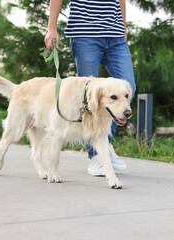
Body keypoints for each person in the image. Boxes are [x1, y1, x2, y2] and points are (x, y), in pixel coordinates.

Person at [44, 0, 136, 176]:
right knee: (89, 98)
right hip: (85, 34)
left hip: (115, 36)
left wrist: (123, 26)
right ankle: (95, 156)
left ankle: (104, 144)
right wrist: (52, 28)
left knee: (127, 88)